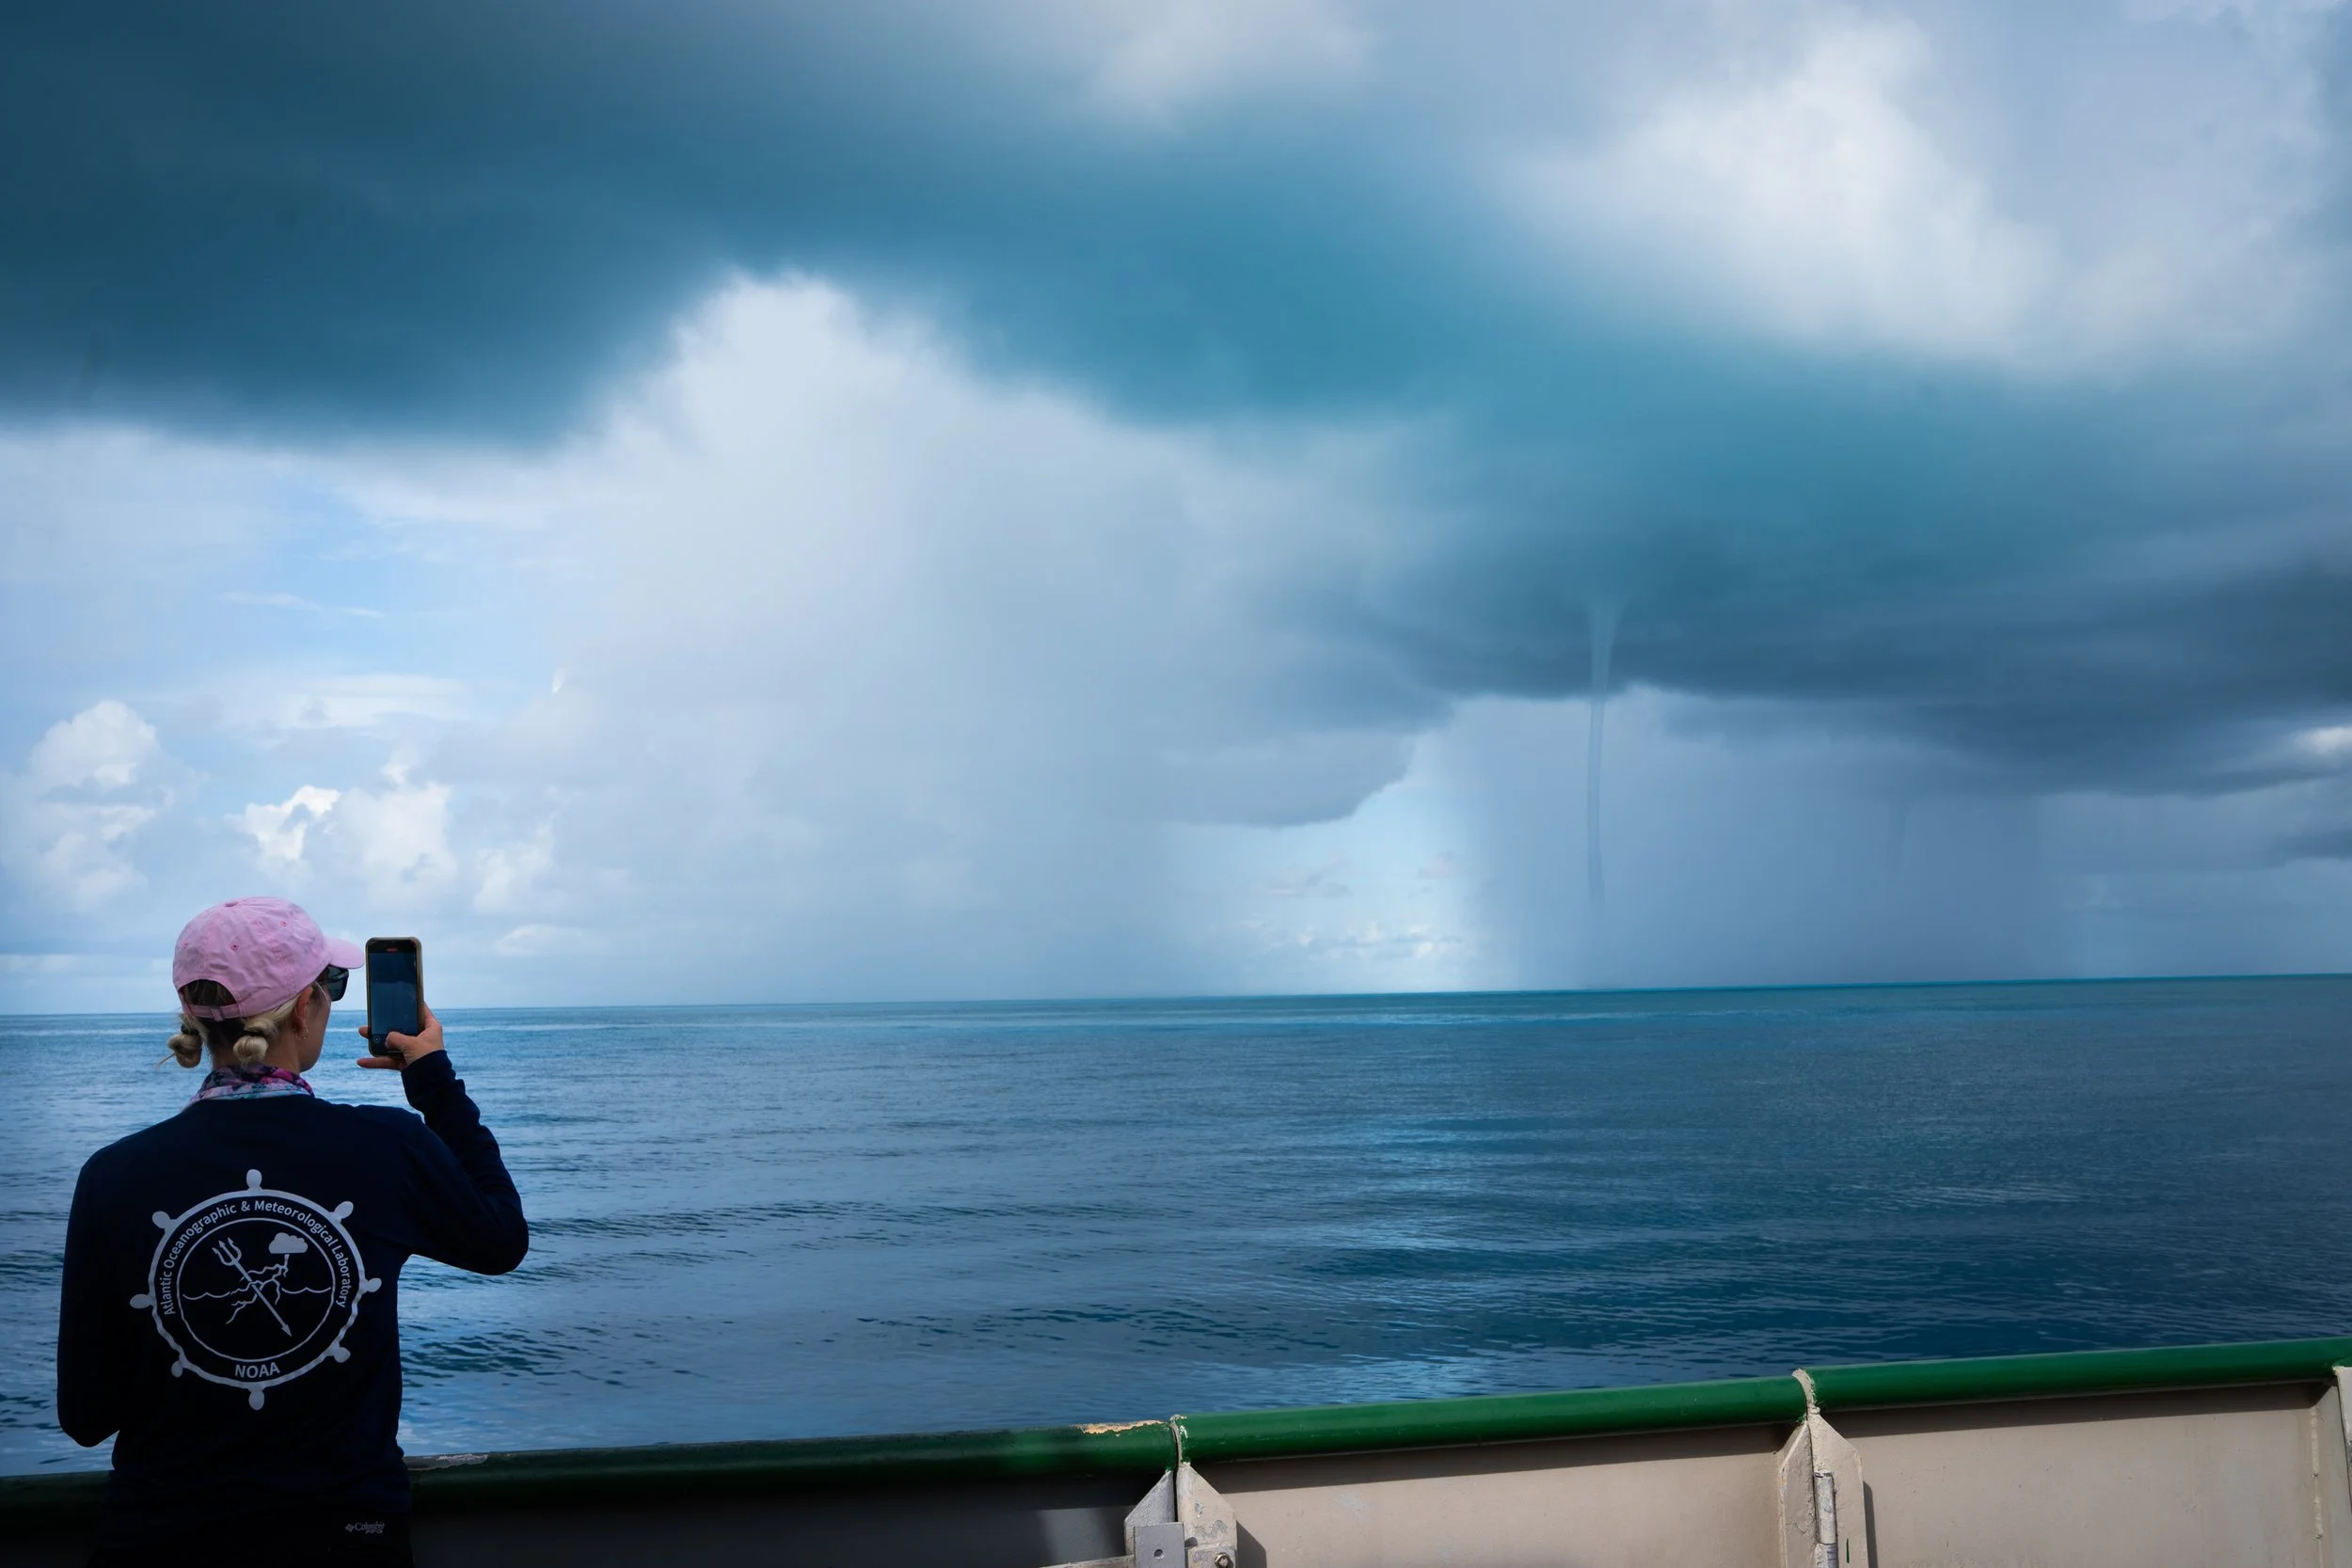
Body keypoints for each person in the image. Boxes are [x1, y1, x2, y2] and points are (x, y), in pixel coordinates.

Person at [56, 897, 528, 1566]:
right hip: (344, 1539)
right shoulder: (386, 1148)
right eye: (330, 986)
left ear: (193, 1016)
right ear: (305, 1007)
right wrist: (433, 1084)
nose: (331, 1002)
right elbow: (501, 1238)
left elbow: (85, 1415)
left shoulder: (111, 1177)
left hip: (158, 1538)